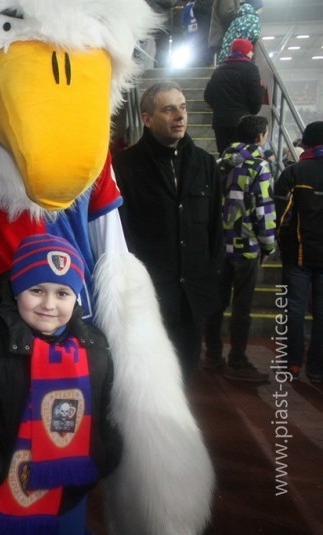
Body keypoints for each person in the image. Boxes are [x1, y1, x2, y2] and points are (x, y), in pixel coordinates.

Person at [0, 234, 121, 534]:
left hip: (71, 492)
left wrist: (100, 461)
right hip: (5, 491)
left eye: (62, 293)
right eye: (37, 290)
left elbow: (107, 415)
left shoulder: (95, 348)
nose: (49, 304)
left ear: (76, 297)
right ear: (17, 290)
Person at [113, 81, 223, 381]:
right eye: (169, 109)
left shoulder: (205, 164)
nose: (180, 116)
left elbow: (215, 229)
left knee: (184, 374)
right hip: (148, 297)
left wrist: (212, 277)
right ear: (147, 119)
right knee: (146, 380)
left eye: (183, 108)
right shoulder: (125, 166)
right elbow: (122, 235)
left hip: (192, 299)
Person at [203, 115, 275, 381]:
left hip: (219, 246)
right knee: (242, 307)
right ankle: (237, 361)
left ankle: (212, 355)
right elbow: (264, 210)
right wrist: (268, 246)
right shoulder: (259, 166)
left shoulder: (218, 163)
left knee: (215, 303)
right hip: (246, 247)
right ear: (260, 137)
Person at [275, 121, 323, 382]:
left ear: (306, 143)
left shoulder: (295, 172)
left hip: (298, 254)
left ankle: (291, 363)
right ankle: (316, 369)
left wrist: (283, 245)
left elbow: (281, 216)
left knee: (293, 309)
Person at [204, 38, 264, 154]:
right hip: (243, 123)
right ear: (245, 51)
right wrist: (252, 111)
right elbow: (256, 97)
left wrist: (219, 108)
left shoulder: (219, 70)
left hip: (221, 123)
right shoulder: (251, 69)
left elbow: (208, 95)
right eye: (251, 50)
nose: (252, 53)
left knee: (225, 157)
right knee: (242, 157)